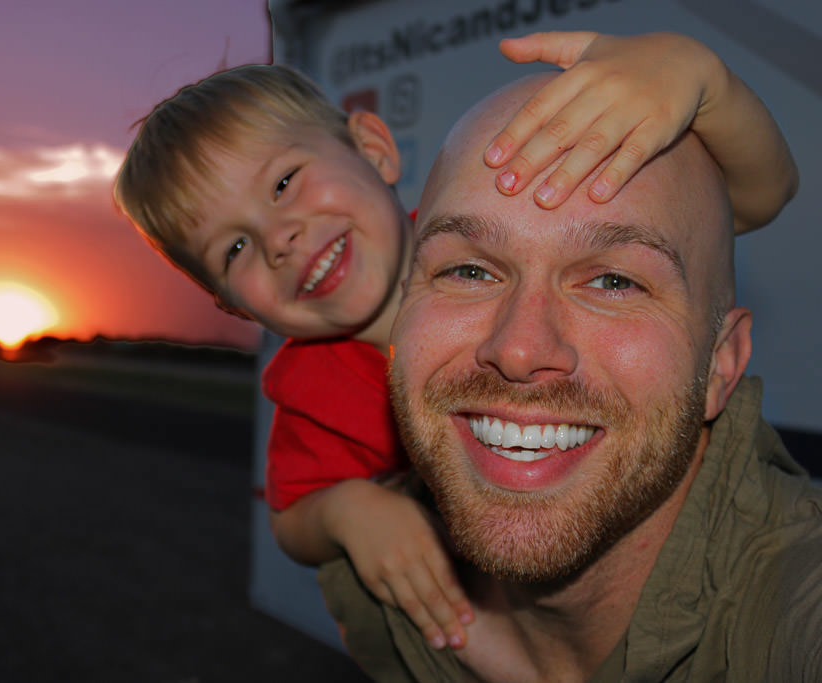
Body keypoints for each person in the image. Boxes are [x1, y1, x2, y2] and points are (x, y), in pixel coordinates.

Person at [113, 32, 798, 653]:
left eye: (286, 181)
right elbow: (293, 517)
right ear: (232, 303)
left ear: (374, 148)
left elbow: (758, 196)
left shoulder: (494, 208)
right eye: (236, 247)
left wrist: (698, 77)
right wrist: (350, 510)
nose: (280, 237)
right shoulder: (310, 392)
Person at [318, 71, 820, 681]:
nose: (520, 349)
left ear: (722, 365)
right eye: (470, 271)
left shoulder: (793, 609)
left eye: (614, 281)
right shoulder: (375, 590)